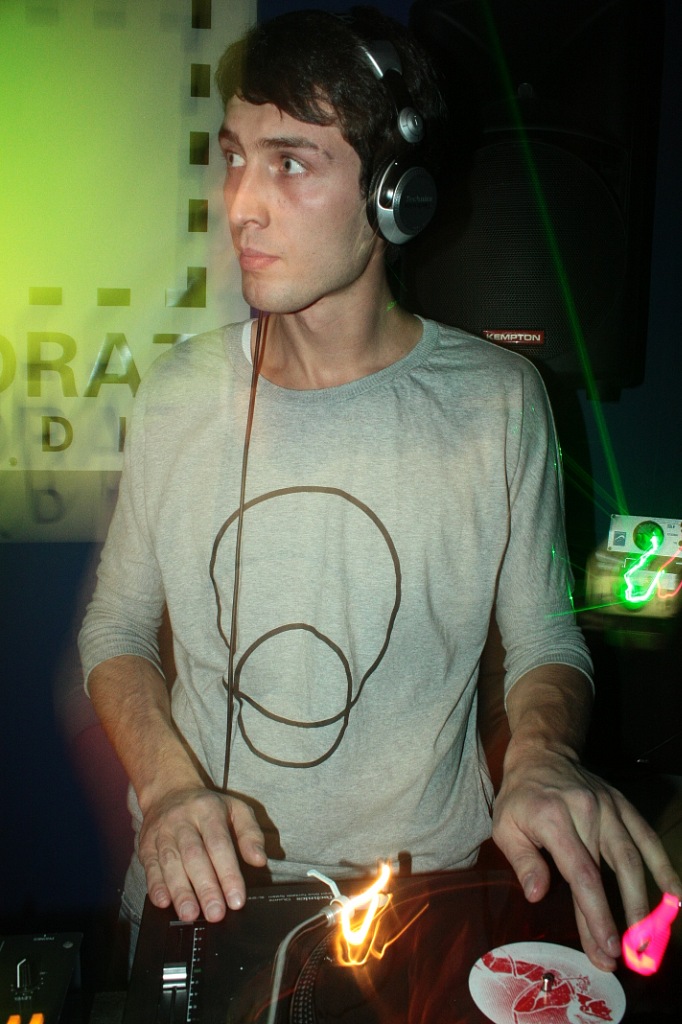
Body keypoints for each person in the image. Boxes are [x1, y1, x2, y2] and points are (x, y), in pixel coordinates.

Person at [78, 5, 680, 977]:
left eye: (290, 162)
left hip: (419, 907)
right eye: (234, 158)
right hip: (205, 883)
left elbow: (544, 639)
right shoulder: (177, 392)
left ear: (395, 196)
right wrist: (168, 785)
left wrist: (538, 754)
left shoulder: (498, 402)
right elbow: (116, 628)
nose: (242, 204)